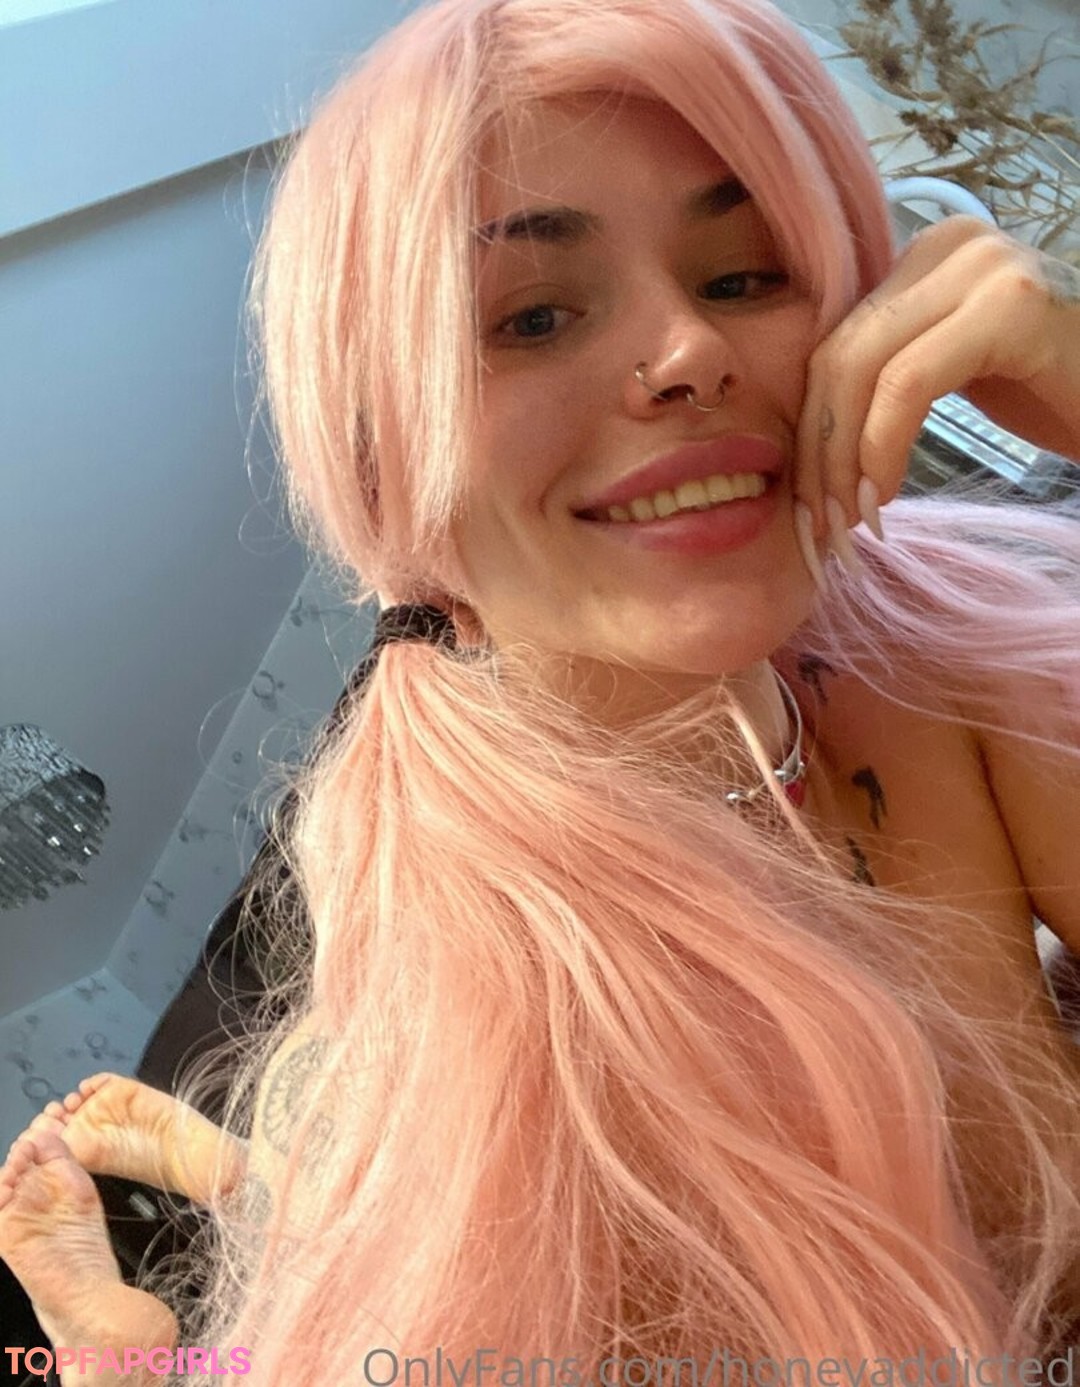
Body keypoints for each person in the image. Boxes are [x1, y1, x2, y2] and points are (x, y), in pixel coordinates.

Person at [3, 0, 1080, 1378]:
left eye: (748, 274)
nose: (688, 352)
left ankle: (229, 1176)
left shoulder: (944, 638)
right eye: (533, 316)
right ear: (384, 449)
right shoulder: (473, 1036)